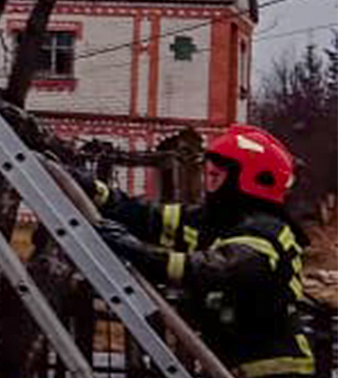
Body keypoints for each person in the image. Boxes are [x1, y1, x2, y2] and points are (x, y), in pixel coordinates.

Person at [70, 124, 314, 376]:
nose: (208, 184)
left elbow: (211, 270)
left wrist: (140, 253)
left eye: (216, 176)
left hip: (273, 370)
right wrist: (93, 190)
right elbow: (145, 217)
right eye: (208, 174)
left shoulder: (265, 231)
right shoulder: (214, 221)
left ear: (247, 181)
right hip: (232, 365)